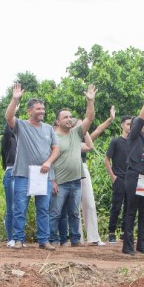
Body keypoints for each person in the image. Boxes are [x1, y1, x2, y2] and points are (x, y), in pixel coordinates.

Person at [5, 82, 60, 250]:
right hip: (23, 173)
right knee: (20, 208)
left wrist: (48, 162)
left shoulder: (49, 128)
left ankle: (44, 240)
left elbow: (56, 149)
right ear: (29, 111)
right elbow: (8, 117)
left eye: (43, 109)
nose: (41, 111)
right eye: (38, 109)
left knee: (43, 209)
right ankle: (19, 239)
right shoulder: (21, 125)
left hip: (44, 175)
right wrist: (15, 99)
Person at [47, 86, 96, 247]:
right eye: (65, 117)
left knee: (74, 213)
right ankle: (53, 240)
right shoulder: (53, 137)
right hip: (59, 182)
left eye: (70, 116)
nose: (69, 119)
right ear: (58, 121)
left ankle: (75, 240)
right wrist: (52, 180)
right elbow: (49, 160)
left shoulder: (76, 133)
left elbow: (89, 118)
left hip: (76, 181)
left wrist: (90, 100)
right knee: (55, 213)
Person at [120, 89, 144, 255]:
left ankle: (142, 246)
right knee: (130, 211)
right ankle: (128, 247)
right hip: (134, 176)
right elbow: (140, 120)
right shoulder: (133, 137)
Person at [79, 107, 115, 246]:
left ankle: (94, 237)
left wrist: (110, 119)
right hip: (67, 170)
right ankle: (78, 239)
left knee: (90, 203)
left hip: (82, 167)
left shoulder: (84, 139)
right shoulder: (63, 138)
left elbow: (98, 130)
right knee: (74, 207)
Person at [103, 115, 132, 244]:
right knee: (116, 206)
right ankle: (111, 232)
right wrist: (113, 176)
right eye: (127, 124)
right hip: (119, 178)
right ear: (122, 125)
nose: (129, 126)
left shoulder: (134, 142)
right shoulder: (115, 141)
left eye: (132, 124)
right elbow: (106, 160)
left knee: (129, 207)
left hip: (131, 179)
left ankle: (124, 232)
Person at [0, 119, 17, 243]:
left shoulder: (23, 139)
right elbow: (7, 131)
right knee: (11, 207)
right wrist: (12, 114)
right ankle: (11, 238)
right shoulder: (8, 140)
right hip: (11, 171)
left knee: (20, 208)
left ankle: (18, 238)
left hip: (23, 174)